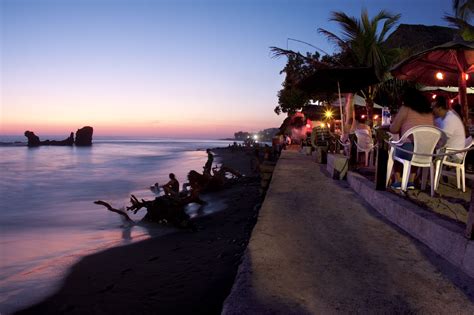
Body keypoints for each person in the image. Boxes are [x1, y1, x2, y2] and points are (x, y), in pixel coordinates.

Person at [388, 87, 434, 190]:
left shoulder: (406, 109)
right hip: (427, 152)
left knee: (395, 149)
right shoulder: (429, 112)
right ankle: (411, 181)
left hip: (409, 151)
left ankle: (398, 181)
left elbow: (394, 129)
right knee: (416, 147)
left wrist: (391, 125)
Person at [432, 96, 466, 162]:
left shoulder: (450, 119)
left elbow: (443, 140)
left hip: (454, 155)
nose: (432, 110)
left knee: (427, 154)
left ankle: (432, 171)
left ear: (440, 108)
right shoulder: (445, 117)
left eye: (433, 107)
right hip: (451, 151)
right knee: (428, 153)